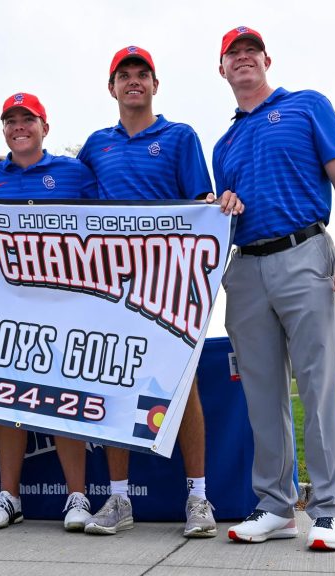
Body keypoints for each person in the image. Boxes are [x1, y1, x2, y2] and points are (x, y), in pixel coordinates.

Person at [76, 46, 242, 538]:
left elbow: (200, 204)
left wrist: (215, 206)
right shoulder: (95, 145)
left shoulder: (179, 136)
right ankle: (120, 499)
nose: (133, 82)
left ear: (154, 84)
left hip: (169, 284)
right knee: (113, 384)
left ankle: (198, 497)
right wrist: (1, 164)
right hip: (109, 285)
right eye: (123, 75)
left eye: (141, 74)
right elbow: (70, 203)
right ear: (111, 88)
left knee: (181, 385)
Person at [213, 26, 335, 552]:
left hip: (304, 254)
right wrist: (225, 204)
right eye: (234, 54)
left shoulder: (306, 106)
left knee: (318, 387)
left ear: (266, 60)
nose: (244, 58)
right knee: (261, 395)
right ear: (223, 70)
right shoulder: (224, 141)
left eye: (251, 50)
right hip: (247, 267)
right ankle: (276, 506)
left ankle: (326, 511)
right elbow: (223, 216)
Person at [0, 92, 97, 531]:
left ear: (46, 127)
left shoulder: (74, 171)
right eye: (11, 120)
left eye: (29, 119)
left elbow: (108, 224)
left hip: (63, 301)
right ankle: (9, 495)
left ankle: (77, 497)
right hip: (8, 305)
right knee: (9, 397)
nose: (19, 127)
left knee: (64, 397)